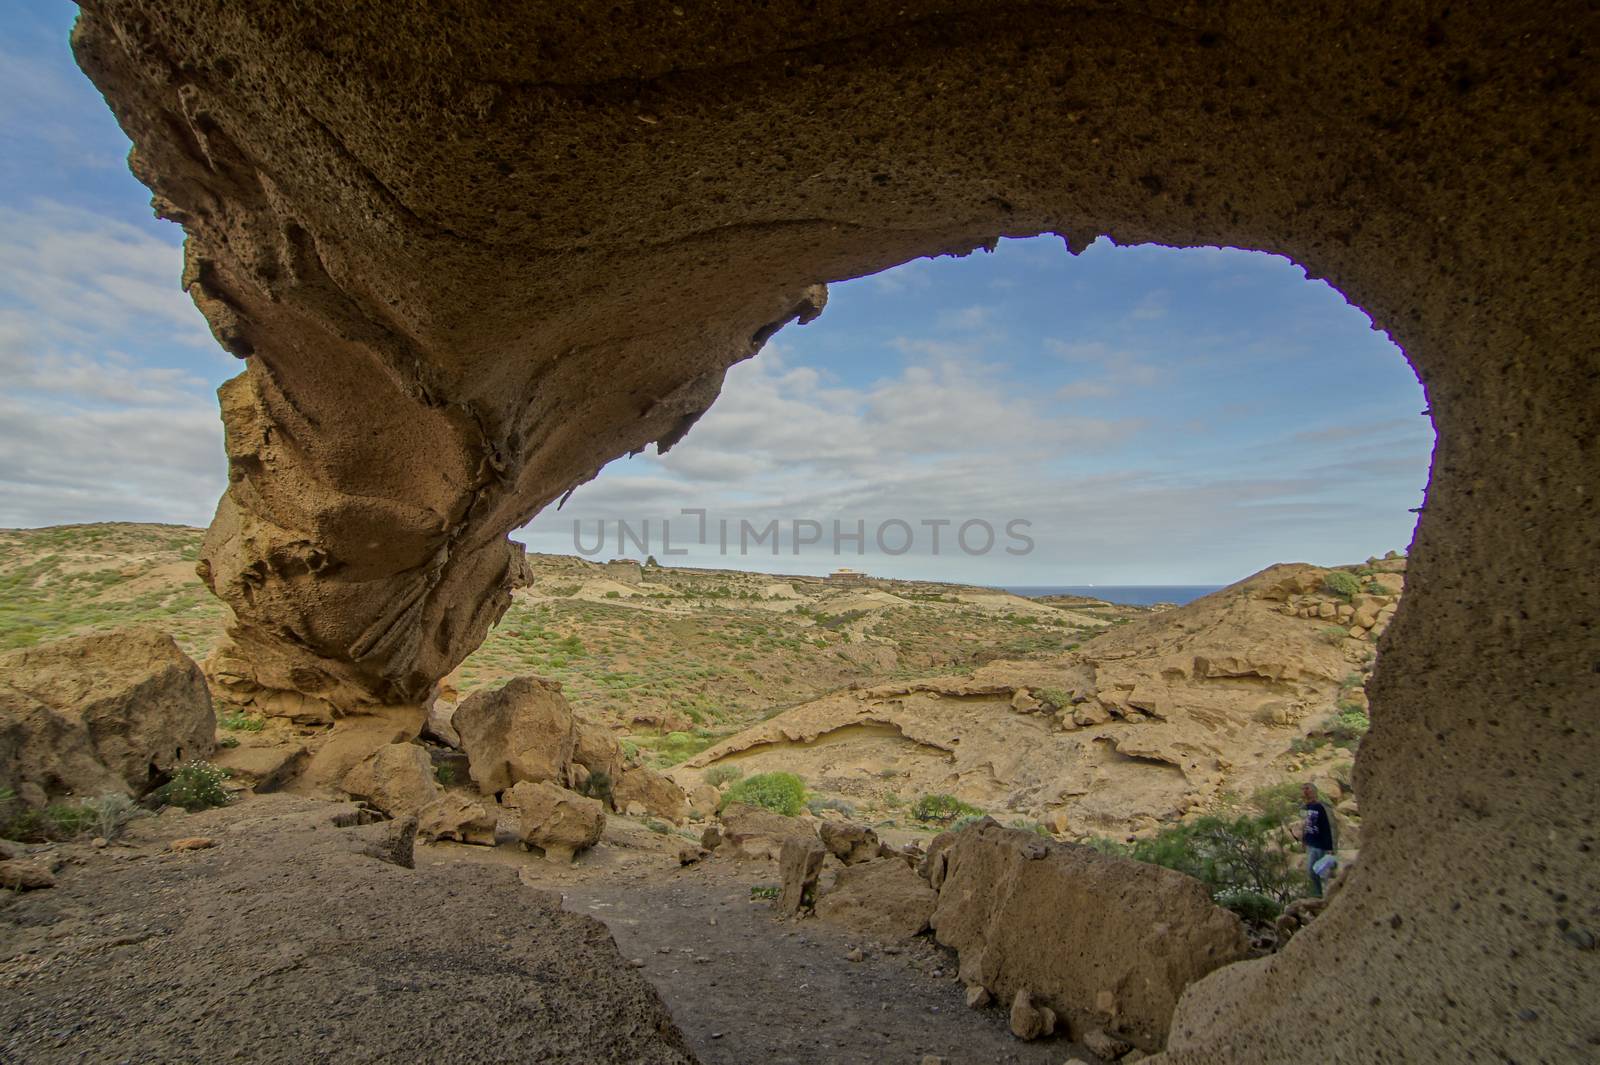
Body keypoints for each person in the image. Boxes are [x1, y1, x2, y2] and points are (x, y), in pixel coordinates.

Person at [1296, 782, 1337, 897]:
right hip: (1311, 844)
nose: (1305, 791)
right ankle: (1319, 895)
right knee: (1313, 872)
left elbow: (1328, 826)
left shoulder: (1321, 807)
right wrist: (1304, 839)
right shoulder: (1306, 808)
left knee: (1317, 872)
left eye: (1307, 788)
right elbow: (1307, 825)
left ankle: (1322, 896)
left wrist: (1331, 847)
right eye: (1303, 789)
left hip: (1320, 845)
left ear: (1314, 791)